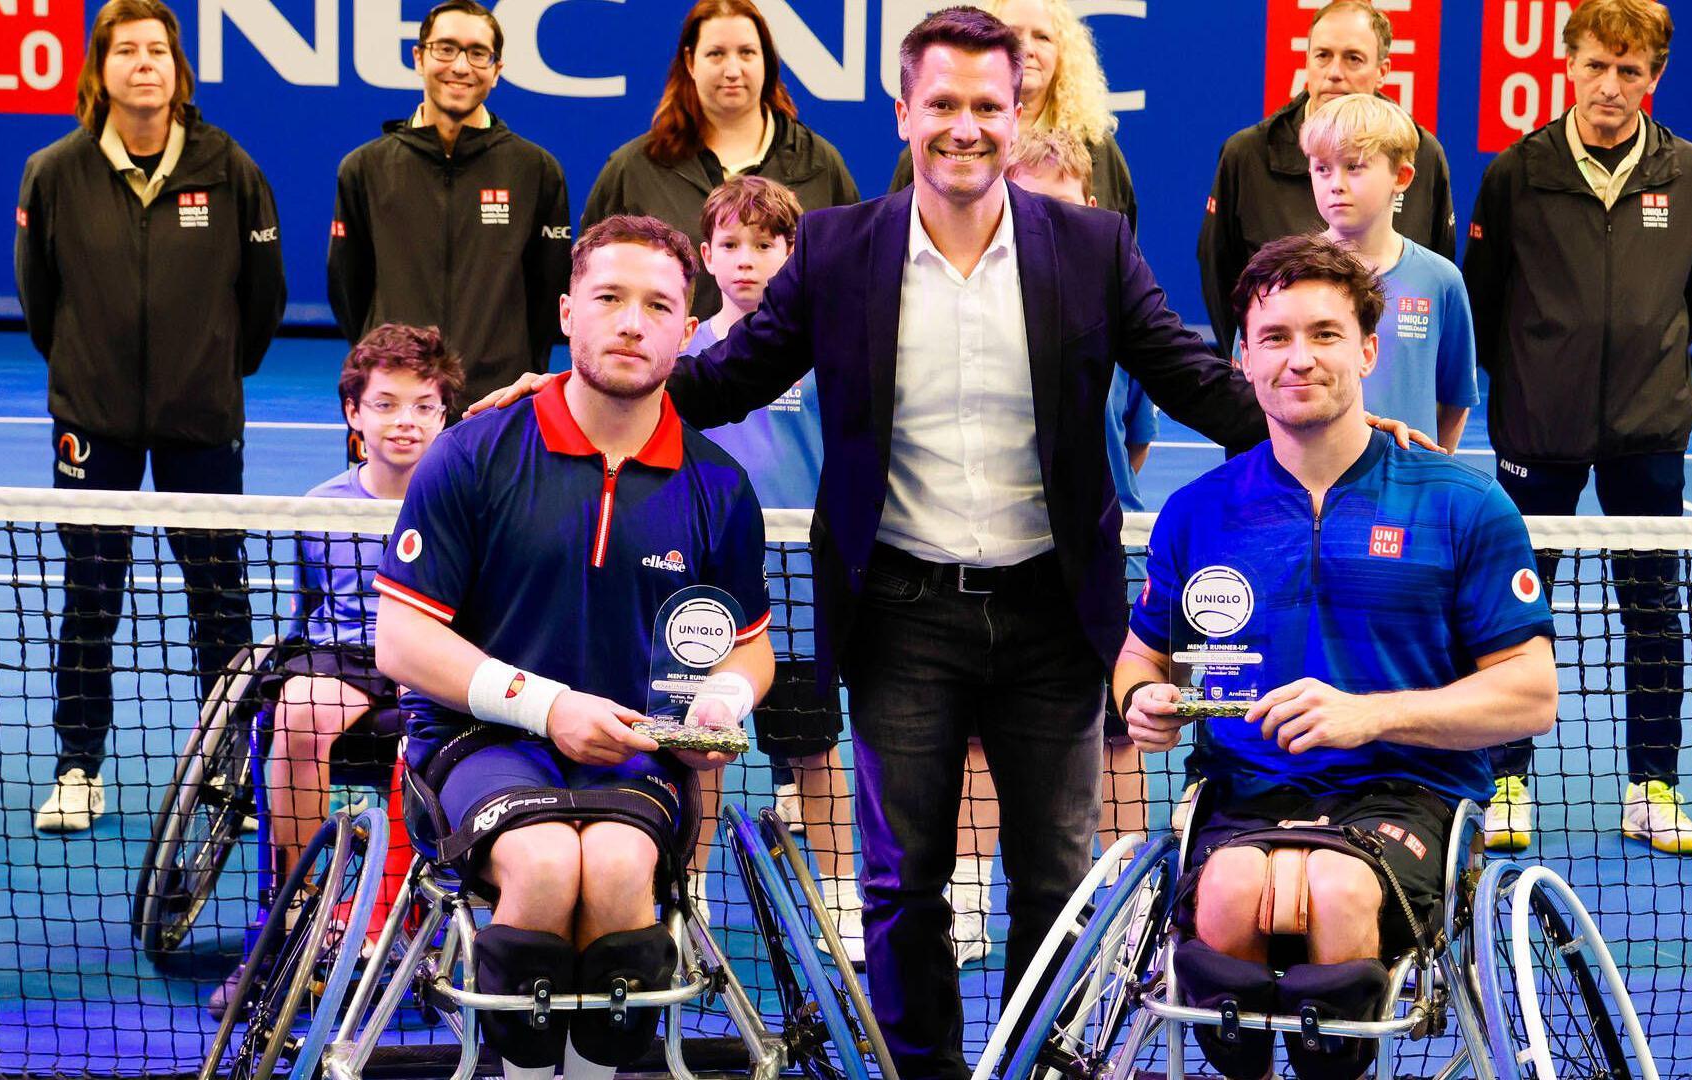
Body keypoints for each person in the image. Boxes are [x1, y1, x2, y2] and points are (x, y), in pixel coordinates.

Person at [464, 14, 1435, 1070]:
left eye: (987, 107)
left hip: (1052, 616)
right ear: (905, 114)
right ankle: (919, 1068)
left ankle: (1033, 1063)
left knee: (1055, 878)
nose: (965, 129)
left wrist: (1340, 424)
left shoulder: (1090, 247)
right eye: (944, 106)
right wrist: (572, 387)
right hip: (901, 612)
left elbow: (1196, 380)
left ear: (1017, 117)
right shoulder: (840, 250)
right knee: (901, 879)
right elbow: (716, 381)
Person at [1116, 235, 1556, 1080]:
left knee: (1340, 890)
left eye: (1324, 334)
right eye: (1274, 337)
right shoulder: (1198, 511)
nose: (1299, 358)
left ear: (1367, 348)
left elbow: (1531, 695)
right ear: (1242, 358)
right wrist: (1143, 698)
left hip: (1410, 793)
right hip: (1245, 792)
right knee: (1233, 893)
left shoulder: (1463, 504)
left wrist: (1372, 714)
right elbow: (1143, 657)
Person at [374, 214, 773, 1080]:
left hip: (637, 750)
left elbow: (750, 647)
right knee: (550, 862)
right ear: (566, 313)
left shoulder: (719, 488)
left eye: (658, 305)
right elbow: (401, 639)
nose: (632, 322)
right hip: (480, 743)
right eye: (609, 298)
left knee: (622, 864)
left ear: (687, 329)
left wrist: (724, 701)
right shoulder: (474, 455)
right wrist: (548, 707)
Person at [19, 0, 285, 833]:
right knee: (89, 593)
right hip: (90, 419)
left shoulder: (229, 166)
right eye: (126, 51)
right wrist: (87, 370)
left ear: (178, 70)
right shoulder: (55, 172)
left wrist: (208, 373)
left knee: (219, 596)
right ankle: (76, 766)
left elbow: (264, 298)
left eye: (158, 51)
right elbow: (38, 299)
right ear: (101, 72)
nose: (143, 64)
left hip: (200, 418)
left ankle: (226, 775)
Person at [1462, 0, 1692, 855]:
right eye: (1596, 67)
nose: (1611, 87)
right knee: (1513, 610)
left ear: (1656, 76)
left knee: (1653, 609)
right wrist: (1539, 375)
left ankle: (1653, 785)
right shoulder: (1515, 171)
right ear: (1568, 66)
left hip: (1650, 427)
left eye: (1631, 71)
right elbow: (1488, 296)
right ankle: (1505, 779)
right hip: (1537, 426)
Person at [942, 128, 1157, 967]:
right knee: (976, 743)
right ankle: (966, 900)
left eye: (1067, 206)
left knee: (1122, 732)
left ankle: (1131, 896)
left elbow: (1135, 437)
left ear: (1094, 210)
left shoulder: (1121, 302)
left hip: (1103, 558)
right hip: (994, 561)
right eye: (1034, 207)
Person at [212, 323, 465, 1018]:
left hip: (435, 654)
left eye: (422, 405)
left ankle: (394, 912)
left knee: (430, 723)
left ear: (445, 412)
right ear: (354, 413)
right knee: (295, 712)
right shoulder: (321, 507)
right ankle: (291, 917)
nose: (404, 422)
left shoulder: (468, 503)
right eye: (385, 404)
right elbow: (310, 612)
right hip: (347, 657)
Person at [681, 175, 866, 960]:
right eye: (731, 246)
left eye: (766, 245)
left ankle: (842, 900)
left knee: (815, 748)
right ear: (705, 255)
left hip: (796, 588)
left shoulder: (825, 351)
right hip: (700, 590)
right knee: (700, 742)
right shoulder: (686, 353)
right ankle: (684, 894)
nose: (747, 262)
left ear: (795, 254)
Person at [327, 0, 571, 415]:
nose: (460, 66)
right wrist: (388, 365)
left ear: (497, 70)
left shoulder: (536, 170)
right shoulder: (364, 168)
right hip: (396, 403)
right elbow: (350, 288)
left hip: (498, 402)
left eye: (478, 53)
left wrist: (516, 372)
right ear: (419, 57)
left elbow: (548, 292)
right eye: (445, 49)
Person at [1198, 0, 1456, 358]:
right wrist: (1254, 366)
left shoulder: (1422, 155)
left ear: (1383, 70)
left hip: (1390, 381)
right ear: (1306, 62)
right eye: (1322, 56)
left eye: (1353, 58)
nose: (1335, 72)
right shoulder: (1247, 153)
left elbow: (1436, 272)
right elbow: (1219, 273)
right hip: (1279, 384)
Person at [582, 0, 859, 322]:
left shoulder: (818, 165)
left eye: (746, 53)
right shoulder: (634, 169)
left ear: (767, 61)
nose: (732, 70)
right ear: (690, 61)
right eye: (716, 54)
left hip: (792, 369)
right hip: (667, 369)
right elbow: (589, 283)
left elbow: (853, 279)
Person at [1303, 92, 1475, 450]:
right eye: (1322, 168)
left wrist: (1429, 474)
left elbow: (1455, 397)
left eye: (1354, 166)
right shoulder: (1284, 276)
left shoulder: (1440, 280)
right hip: (1309, 486)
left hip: (1407, 489)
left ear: (1402, 176)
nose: (1336, 183)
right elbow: (1252, 388)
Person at [888, 0, 1139, 228]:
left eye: (1043, 37)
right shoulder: (932, 149)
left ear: (1063, 52)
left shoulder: (1097, 148)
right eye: (1015, 34)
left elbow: (1120, 251)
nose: (1028, 48)